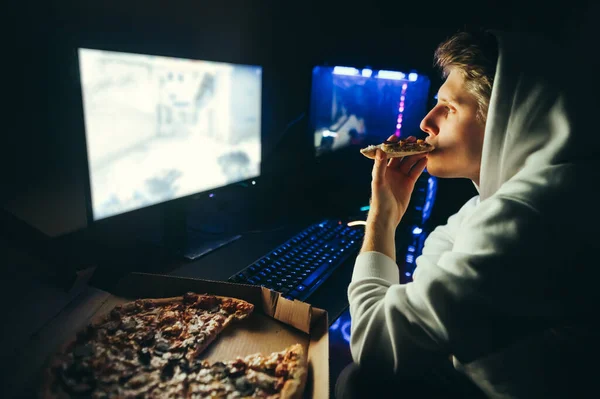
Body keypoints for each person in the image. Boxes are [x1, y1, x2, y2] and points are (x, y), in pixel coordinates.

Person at [336, 28, 600, 398]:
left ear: (507, 118)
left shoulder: (531, 217)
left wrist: (383, 217)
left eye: (450, 108)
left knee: (355, 382)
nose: (427, 122)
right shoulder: (489, 206)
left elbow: (373, 345)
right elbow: (424, 286)